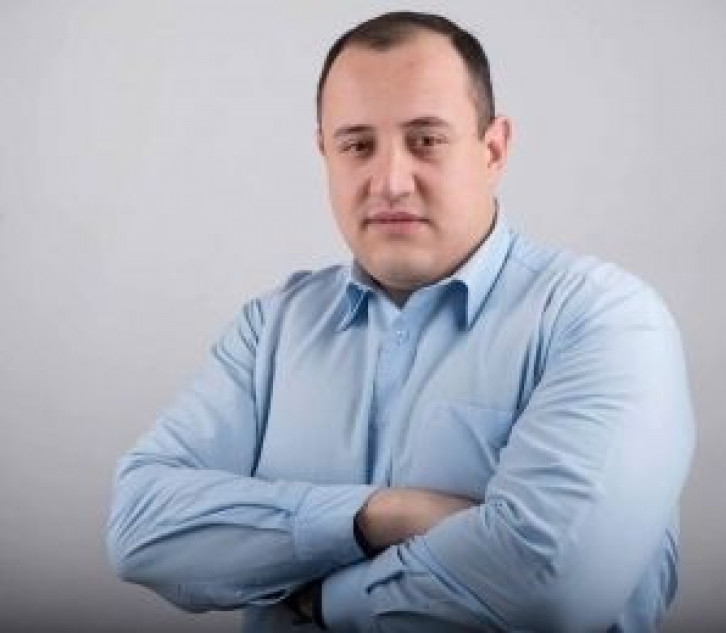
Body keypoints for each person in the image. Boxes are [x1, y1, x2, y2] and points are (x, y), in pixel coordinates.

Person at [107, 11, 695, 633]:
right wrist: (376, 517)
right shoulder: (269, 330)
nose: (389, 182)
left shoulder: (605, 322)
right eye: (358, 145)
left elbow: (551, 590)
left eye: (426, 140)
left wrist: (319, 599)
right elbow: (139, 526)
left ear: (493, 149)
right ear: (325, 153)